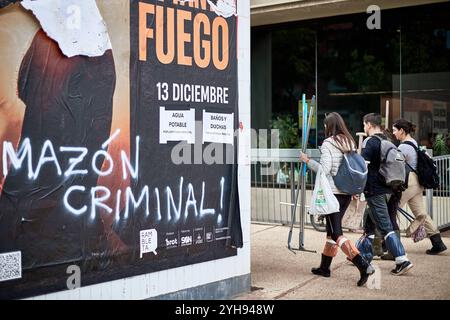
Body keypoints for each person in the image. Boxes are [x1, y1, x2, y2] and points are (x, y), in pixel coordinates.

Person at [300, 112, 374, 287]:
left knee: (336, 233)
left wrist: (308, 161)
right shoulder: (349, 141)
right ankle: (324, 267)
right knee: (331, 232)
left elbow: (325, 169)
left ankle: (364, 266)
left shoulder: (328, 143)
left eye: (325, 125)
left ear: (329, 126)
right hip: (346, 193)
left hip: (332, 193)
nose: (324, 128)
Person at [360, 113, 413, 275]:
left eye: (364, 125)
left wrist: (357, 189)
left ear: (368, 125)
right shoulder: (387, 140)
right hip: (388, 189)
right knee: (369, 224)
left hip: (374, 190)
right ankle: (364, 257)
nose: (364, 127)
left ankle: (402, 259)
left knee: (385, 226)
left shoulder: (370, 142)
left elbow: (363, 168)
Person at [392, 119, 447, 255]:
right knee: (421, 213)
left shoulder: (403, 147)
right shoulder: (414, 143)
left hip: (409, 182)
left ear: (402, 131)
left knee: (391, 210)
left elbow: (394, 165)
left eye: (394, 130)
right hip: (418, 183)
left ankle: (391, 246)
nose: (393, 133)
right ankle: (437, 242)